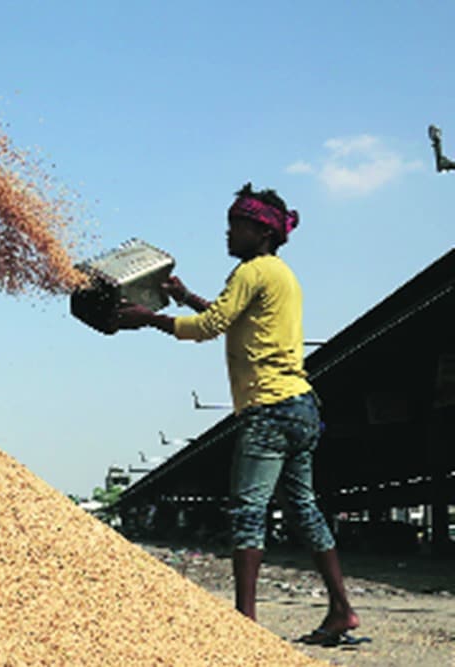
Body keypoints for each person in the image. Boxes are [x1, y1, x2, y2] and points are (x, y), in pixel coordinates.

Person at [114, 183, 361, 646]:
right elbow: (226, 316)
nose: (228, 233)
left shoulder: (251, 271)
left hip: (267, 409)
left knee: (248, 511)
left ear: (262, 231)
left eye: (237, 225)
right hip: (301, 406)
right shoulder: (279, 274)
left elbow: (210, 328)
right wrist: (184, 295)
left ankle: (242, 627)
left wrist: (147, 318)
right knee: (305, 510)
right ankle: (342, 610)